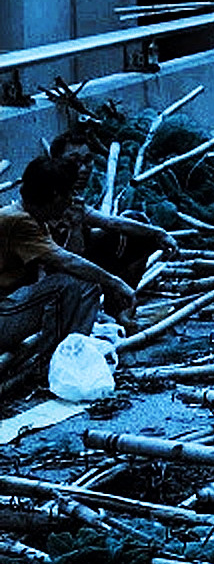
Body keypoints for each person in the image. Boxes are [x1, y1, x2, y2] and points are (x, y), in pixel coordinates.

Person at [0, 164, 138, 402]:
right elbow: (67, 263)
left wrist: (75, 226)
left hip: (10, 309)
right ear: (55, 196)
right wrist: (116, 283)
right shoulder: (17, 221)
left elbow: (69, 257)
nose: (72, 200)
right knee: (75, 285)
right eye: (69, 194)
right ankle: (54, 363)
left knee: (80, 284)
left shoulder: (34, 219)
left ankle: (62, 359)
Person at [18, 148, 178, 290]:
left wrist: (158, 233)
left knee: (137, 229)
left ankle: (120, 307)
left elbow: (111, 222)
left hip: (67, 265)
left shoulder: (66, 203)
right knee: (78, 279)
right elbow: (68, 263)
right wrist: (114, 282)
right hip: (32, 290)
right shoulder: (27, 218)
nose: (82, 169)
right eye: (74, 161)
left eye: (87, 161)